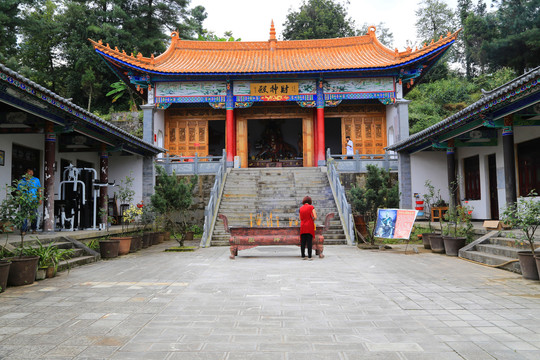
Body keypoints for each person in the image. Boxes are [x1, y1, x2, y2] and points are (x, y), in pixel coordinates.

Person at [17, 168, 41, 234]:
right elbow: (19, 191)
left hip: (33, 200)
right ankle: (23, 230)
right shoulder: (21, 181)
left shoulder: (36, 180)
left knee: (34, 215)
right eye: (29, 172)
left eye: (32, 172)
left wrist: (40, 198)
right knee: (24, 216)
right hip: (24, 201)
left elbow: (39, 190)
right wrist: (18, 199)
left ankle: (34, 229)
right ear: (26, 173)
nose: (31, 173)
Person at [299, 196, 317, 260]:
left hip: (303, 225)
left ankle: (303, 256)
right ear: (310, 201)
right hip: (309, 226)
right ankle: (309, 256)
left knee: (303, 242)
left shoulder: (300, 208)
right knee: (309, 241)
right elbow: (315, 216)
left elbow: (300, 218)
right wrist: (312, 220)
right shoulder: (311, 207)